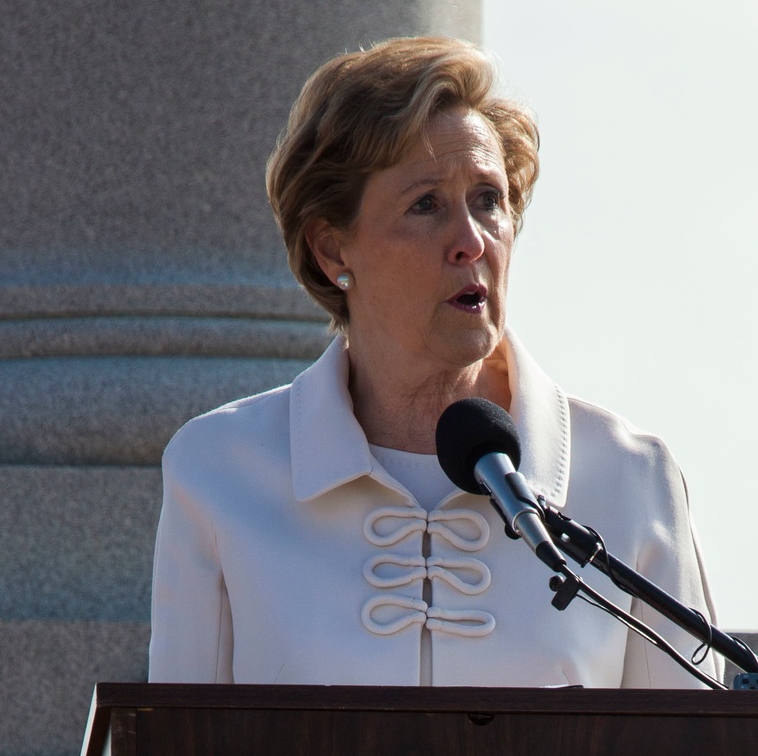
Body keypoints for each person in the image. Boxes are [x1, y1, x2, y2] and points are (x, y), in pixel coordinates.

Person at [149, 37, 720, 687]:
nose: (471, 240)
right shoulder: (219, 469)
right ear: (332, 248)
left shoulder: (631, 476)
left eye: (488, 200)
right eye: (426, 205)